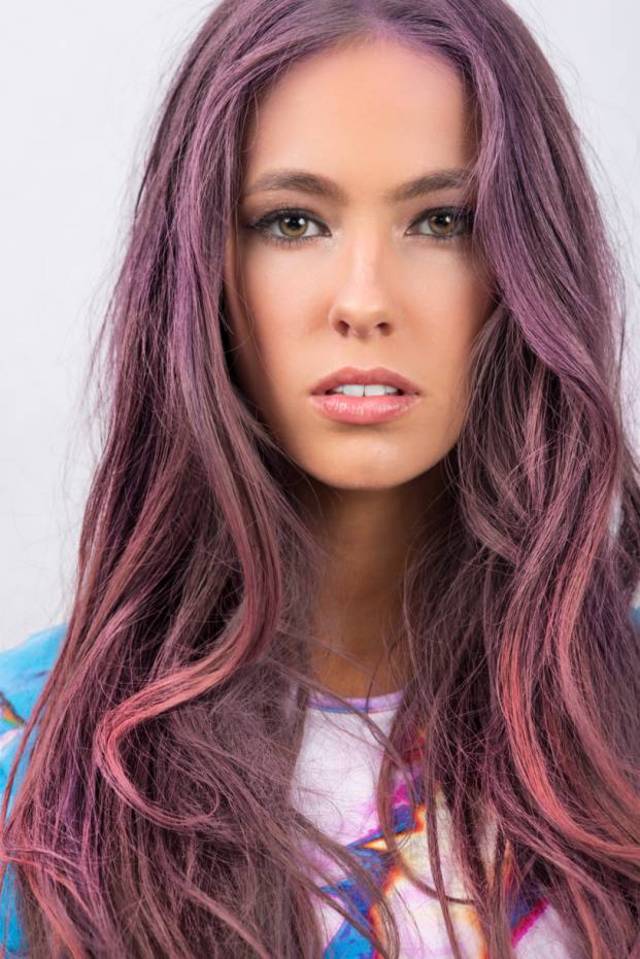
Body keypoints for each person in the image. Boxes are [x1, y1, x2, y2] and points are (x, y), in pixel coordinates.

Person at [2, 0, 640, 956]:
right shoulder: (37, 769)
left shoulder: (616, 734)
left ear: (528, 268)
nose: (365, 300)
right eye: (293, 222)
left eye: (442, 221)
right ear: (202, 271)